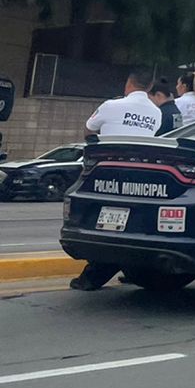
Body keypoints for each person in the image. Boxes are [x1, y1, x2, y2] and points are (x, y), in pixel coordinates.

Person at [72, 73, 163, 290]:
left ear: (128, 83)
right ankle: (131, 269)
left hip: (107, 170)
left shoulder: (111, 105)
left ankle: (95, 274)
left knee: (105, 221)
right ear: (150, 86)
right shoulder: (156, 112)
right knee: (130, 222)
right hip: (140, 172)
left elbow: (89, 130)